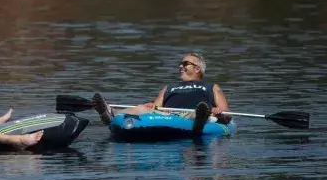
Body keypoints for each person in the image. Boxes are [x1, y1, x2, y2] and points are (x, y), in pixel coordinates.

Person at [93, 52, 231, 133]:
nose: (180, 66)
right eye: (180, 64)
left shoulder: (211, 87)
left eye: (185, 64)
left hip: (194, 114)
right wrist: (151, 106)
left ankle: (200, 119)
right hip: (168, 115)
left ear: (197, 69)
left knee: (195, 112)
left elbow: (227, 113)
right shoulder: (169, 87)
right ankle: (111, 113)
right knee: (141, 108)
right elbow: (156, 106)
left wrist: (218, 112)